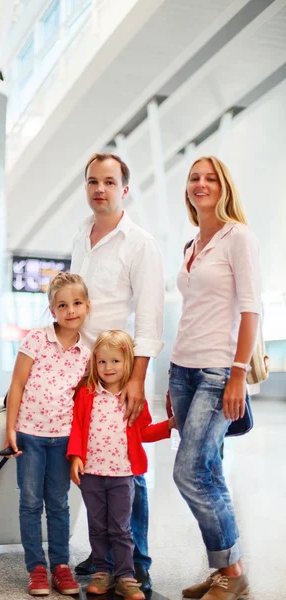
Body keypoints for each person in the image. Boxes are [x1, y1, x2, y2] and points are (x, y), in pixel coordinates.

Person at [167, 156, 260, 600]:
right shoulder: (191, 245)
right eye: (194, 178)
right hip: (182, 371)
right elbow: (189, 315)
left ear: (223, 187)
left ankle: (234, 570)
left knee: (188, 472)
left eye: (210, 178)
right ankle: (223, 568)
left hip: (217, 371)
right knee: (210, 470)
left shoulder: (236, 237)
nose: (201, 184)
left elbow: (250, 308)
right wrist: (170, 380)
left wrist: (237, 374)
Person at [71, 152, 165, 591]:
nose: (100, 189)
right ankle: (103, 556)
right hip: (84, 372)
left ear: (124, 188)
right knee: (94, 466)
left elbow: (149, 316)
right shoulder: (81, 235)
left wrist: (136, 377)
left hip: (119, 368)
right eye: (93, 181)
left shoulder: (139, 242)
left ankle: (136, 560)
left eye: (109, 181)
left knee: (129, 469)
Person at [68, 330, 175, 600]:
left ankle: (126, 576)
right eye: (102, 362)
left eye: (115, 361)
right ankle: (102, 573)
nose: (108, 367)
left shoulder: (133, 398)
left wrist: (170, 425)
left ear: (127, 363)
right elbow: (78, 427)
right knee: (97, 526)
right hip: (91, 473)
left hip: (123, 475)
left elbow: (145, 432)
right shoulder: (87, 393)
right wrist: (76, 457)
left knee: (121, 527)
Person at [4, 272, 91, 596]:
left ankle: (61, 566)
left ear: (87, 306)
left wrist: (79, 447)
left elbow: (83, 404)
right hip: (29, 435)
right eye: (63, 305)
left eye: (77, 303)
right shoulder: (36, 340)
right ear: (52, 310)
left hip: (63, 440)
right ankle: (36, 568)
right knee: (29, 503)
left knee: (58, 503)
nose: (71, 310)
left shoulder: (87, 353)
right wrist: (11, 429)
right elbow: (17, 385)